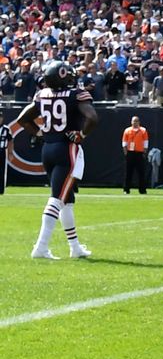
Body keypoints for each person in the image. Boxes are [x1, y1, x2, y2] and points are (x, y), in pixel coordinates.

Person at [15, 61, 98, 259]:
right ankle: (41, 246)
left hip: (48, 149)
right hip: (66, 149)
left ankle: (75, 247)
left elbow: (22, 119)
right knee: (57, 199)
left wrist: (40, 133)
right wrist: (81, 135)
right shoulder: (75, 94)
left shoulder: (42, 95)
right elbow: (93, 118)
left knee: (67, 200)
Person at [121, 115, 149, 194]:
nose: (135, 122)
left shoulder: (143, 130)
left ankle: (142, 190)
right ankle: (126, 189)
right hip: (130, 153)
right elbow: (124, 143)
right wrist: (126, 153)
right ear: (131, 122)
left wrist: (144, 152)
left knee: (141, 173)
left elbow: (146, 142)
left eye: (136, 121)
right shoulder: (127, 130)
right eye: (134, 121)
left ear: (139, 122)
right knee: (128, 173)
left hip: (139, 153)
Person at [0, 112, 11, 194]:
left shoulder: (6, 129)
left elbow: (11, 140)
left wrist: (10, 152)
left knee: (2, 170)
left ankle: (1, 189)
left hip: (2, 151)